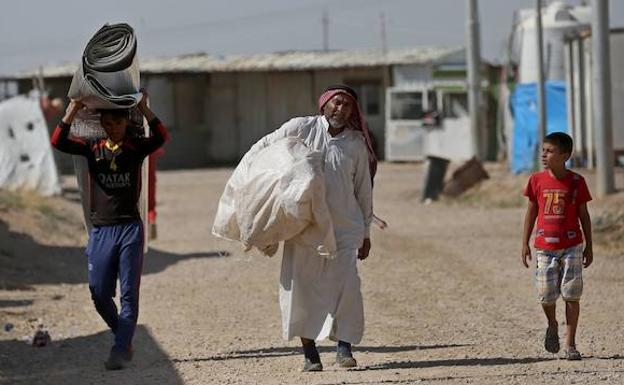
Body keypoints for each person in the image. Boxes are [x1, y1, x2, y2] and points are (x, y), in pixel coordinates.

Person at [246, 85, 376, 372]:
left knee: (348, 287)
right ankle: (310, 353)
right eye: (336, 103)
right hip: (303, 228)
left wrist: (366, 232)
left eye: (347, 105)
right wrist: (251, 179)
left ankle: (344, 347)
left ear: (353, 111)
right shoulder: (300, 128)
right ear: (324, 104)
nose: (340, 109)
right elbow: (265, 147)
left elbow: (363, 190)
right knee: (301, 289)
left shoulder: (355, 144)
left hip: (345, 227)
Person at [50, 91, 169, 370]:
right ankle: (123, 336)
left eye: (117, 123)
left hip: (129, 228)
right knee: (99, 293)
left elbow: (162, 136)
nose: (113, 128)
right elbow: (58, 141)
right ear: (102, 124)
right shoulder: (92, 148)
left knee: (129, 294)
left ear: (126, 123)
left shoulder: (136, 147)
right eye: (108, 123)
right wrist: (73, 108)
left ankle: (119, 349)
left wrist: (142, 107)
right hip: (101, 231)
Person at [521, 132, 593, 361]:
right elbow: (531, 212)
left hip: (572, 244)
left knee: (572, 294)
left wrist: (589, 245)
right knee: (546, 294)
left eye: (549, 151)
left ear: (565, 155)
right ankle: (552, 324)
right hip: (544, 246)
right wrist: (524, 243)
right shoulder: (536, 180)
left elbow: (584, 214)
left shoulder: (576, 182)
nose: (544, 154)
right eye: (543, 150)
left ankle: (571, 344)